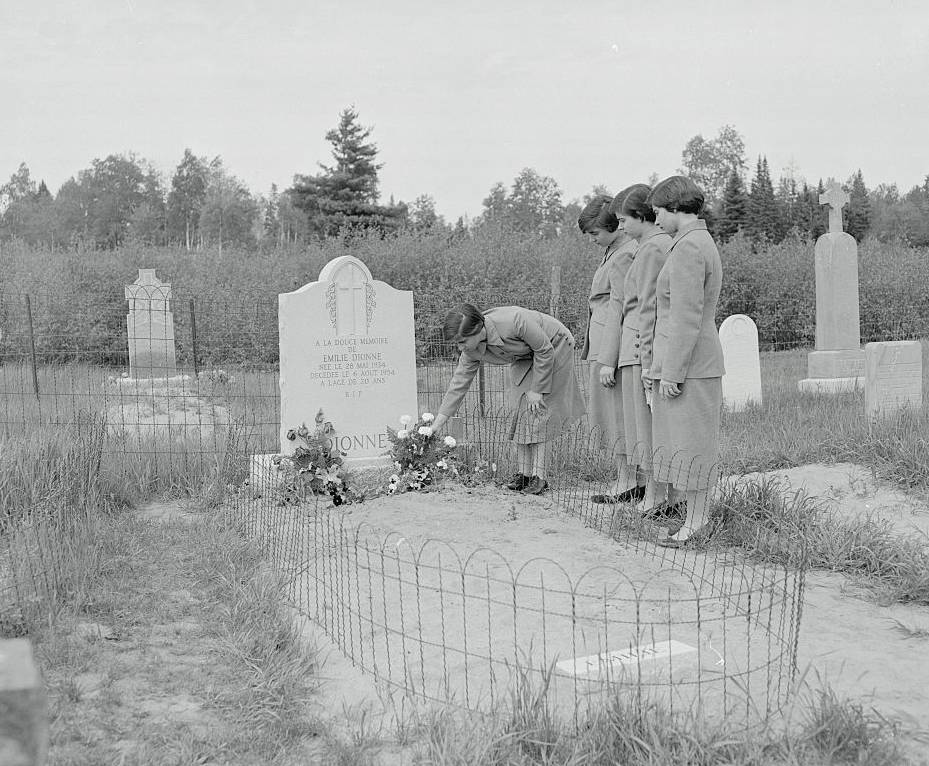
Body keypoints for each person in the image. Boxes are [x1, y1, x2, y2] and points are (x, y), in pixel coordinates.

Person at [645, 176, 726, 546]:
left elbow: (685, 316)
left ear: (676, 207)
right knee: (685, 443)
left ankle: (698, 521)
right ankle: (694, 518)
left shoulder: (689, 247)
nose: (657, 219)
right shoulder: (693, 242)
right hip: (690, 362)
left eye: (659, 212)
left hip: (691, 365)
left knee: (693, 444)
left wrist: (671, 372)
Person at [430, 304, 585, 495]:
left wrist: (537, 390)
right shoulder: (471, 350)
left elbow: (544, 350)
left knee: (539, 411)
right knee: (519, 409)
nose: (460, 348)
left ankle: (539, 478)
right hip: (526, 354)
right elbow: (459, 383)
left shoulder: (515, 321)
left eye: (462, 341)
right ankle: (524, 475)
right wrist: (437, 424)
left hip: (555, 345)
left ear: (478, 329)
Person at [598, 184, 671, 513]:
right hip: (633, 346)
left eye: (624, 219)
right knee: (640, 427)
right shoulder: (644, 248)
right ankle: (653, 493)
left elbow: (647, 307)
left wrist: (645, 357)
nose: (621, 226)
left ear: (642, 216)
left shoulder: (652, 248)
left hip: (640, 347)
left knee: (646, 426)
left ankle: (656, 495)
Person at [576, 194, 639, 504]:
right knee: (608, 412)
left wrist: (609, 357)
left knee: (617, 414)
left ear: (614, 226)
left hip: (612, 343)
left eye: (595, 233)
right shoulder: (613, 250)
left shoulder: (625, 253)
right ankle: (627, 477)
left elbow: (621, 307)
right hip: (601, 339)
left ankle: (629, 480)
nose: (592, 239)